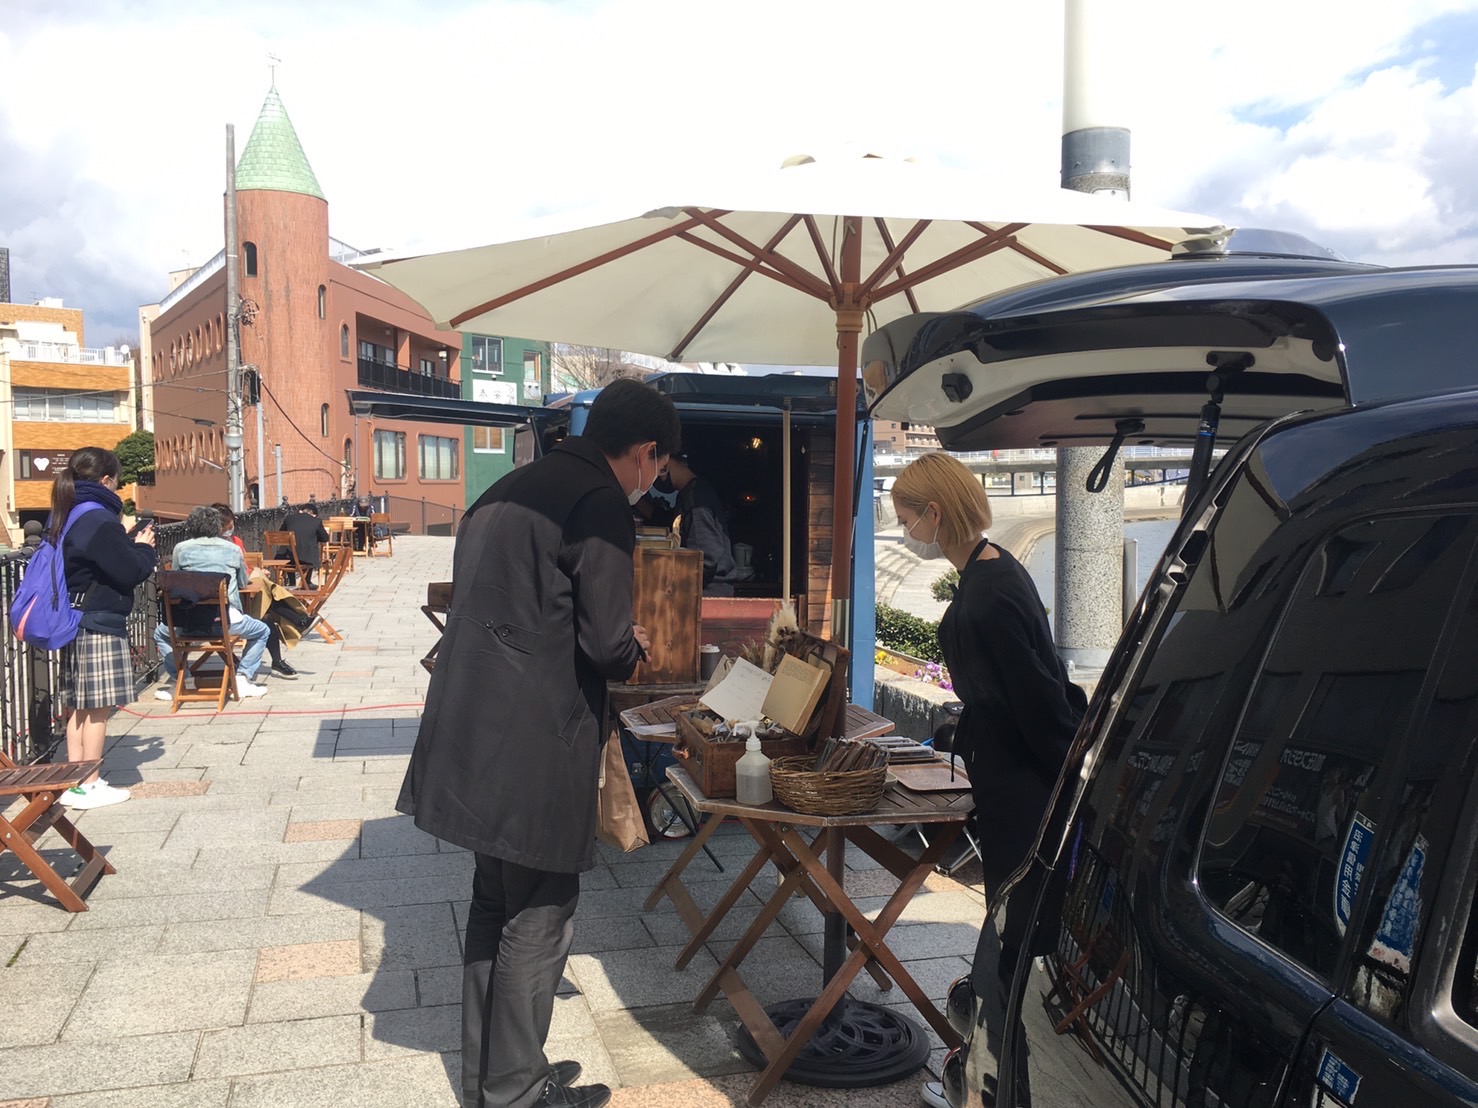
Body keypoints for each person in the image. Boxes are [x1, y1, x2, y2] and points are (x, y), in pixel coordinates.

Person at [398, 377, 681, 1108]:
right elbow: (609, 646)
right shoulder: (600, 506)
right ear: (646, 451)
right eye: (658, 467)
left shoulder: (507, 488)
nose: (655, 483)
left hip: (470, 726)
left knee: (495, 904)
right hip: (534, 737)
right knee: (540, 915)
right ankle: (517, 1091)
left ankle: (492, 1081)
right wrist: (636, 643)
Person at [890, 452, 1086, 1108]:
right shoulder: (997, 567)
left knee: (1018, 925)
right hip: (1016, 777)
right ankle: (997, 1055)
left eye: (905, 517)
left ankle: (1001, 1071)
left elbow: (1038, 706)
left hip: (1021, 791)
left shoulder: (985, 597)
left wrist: (1067, 777)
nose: (904, 530)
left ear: (935, 514)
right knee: (1013, 922)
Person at [51, 446, 157, 809]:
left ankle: (73, 780)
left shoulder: (70, 511)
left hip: (75, 617)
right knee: (97, 707)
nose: (119, 490)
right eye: (118, 482)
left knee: (79, 707)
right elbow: (129, 570)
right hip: (98, 620)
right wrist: (143, 546)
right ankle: (89, 782)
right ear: (107, 480)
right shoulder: (98, 518)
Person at [152, 506, 273, 700]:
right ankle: (242, 678)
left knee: (160, 633)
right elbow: (243, 582)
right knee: (262, 631)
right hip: (226, 620)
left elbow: (178, 580)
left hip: (188, 621)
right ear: (218, 527)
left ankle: (183, 679)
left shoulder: (181, 549)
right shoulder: (232, 549)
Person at [656, 452, 739, 596]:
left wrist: (675, 581)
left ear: (667, 462)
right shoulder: (689, 494)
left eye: (660, 471)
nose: (658, 478)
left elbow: (705, 556)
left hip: (708, 594)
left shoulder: (697, 500)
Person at [277, 502, 330, 587]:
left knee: (291, 551)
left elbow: (281, 534)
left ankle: (292, 583)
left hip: (285, 557)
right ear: (314, 514)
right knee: (310, 549)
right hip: (306, 559)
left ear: (300, 511)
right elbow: (325, 538)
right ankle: (306, 582)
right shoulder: (316, 521)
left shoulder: (289, 519)